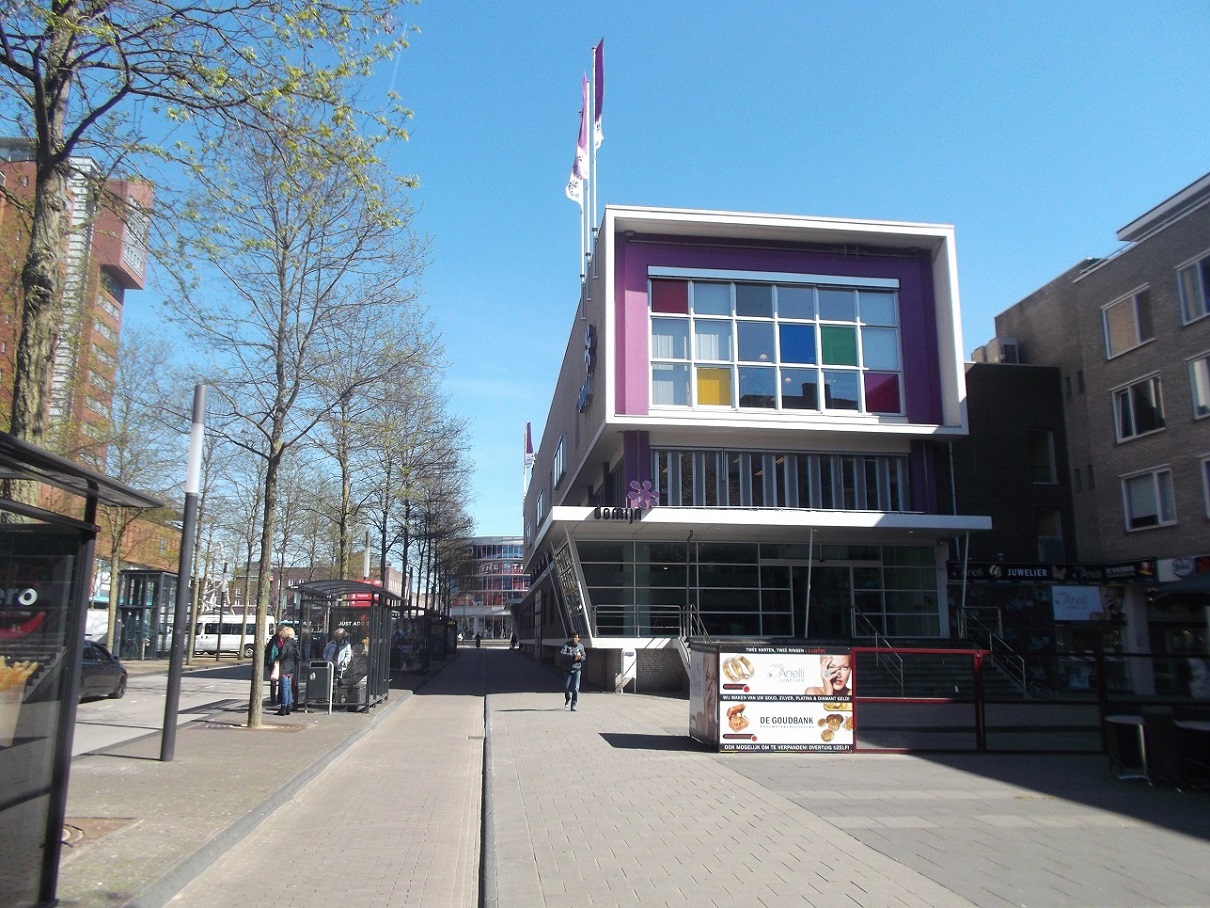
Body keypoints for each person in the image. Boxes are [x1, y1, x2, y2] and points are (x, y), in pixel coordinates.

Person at [275, 626, 301, 716]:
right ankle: (288, 707)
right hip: (291, 668)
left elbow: (282, 655)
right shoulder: (294, 644)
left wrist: (277, 659)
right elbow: (298, 657)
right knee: (289, 688)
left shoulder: (286, 644)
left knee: (284, 688)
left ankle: (283, 707)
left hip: (284, 668)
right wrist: (293, 663)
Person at [560, 632, 587, 711]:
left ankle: (573, 705)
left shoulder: (581, 646)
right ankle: (568, 698)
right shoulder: (567, 645)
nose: (574, 639)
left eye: (576, 637)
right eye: (573, 637)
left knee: (575, 688)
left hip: (577, 670)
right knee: (566, 686)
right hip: (568, 670)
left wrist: (579, 658)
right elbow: (562, 653)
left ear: (579, 638)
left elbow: (584, 656)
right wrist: (572, 656)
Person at [266, 626, 285, 704]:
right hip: (274, 662)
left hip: (281, 662)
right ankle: (273, 698)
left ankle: (280, 697)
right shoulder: (274, 640)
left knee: (281, 680)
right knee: (274, 680)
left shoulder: (284, 640)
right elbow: (268, 651)